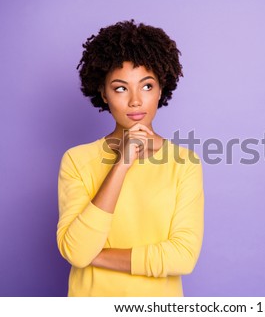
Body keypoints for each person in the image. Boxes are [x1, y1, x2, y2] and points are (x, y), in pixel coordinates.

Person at [56, 20, 204, 297]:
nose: (135, 100)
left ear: (161, 89)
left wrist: (95, 256)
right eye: (121, 88)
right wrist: (122, 163)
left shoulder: (184, 163)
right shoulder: (77, 160)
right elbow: (77, 251)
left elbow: (183, 256)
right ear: (103, 93)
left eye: (147, 86)